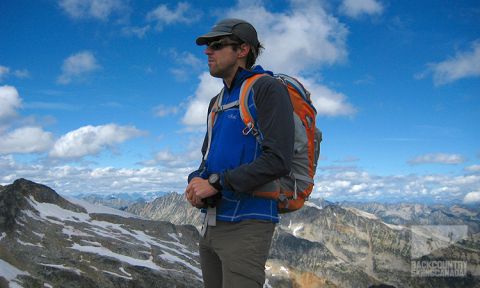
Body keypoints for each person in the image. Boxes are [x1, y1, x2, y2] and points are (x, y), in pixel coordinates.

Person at [185, 18, 294, 288]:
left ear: (243, 50)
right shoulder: (217, 102)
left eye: (217, 45)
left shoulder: (267, 89)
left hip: (248, 224)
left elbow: (278, 160)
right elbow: (206, 160)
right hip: (212, 223)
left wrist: (216, 183)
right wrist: (195, 181)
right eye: (208, 46)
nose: (207, 51)